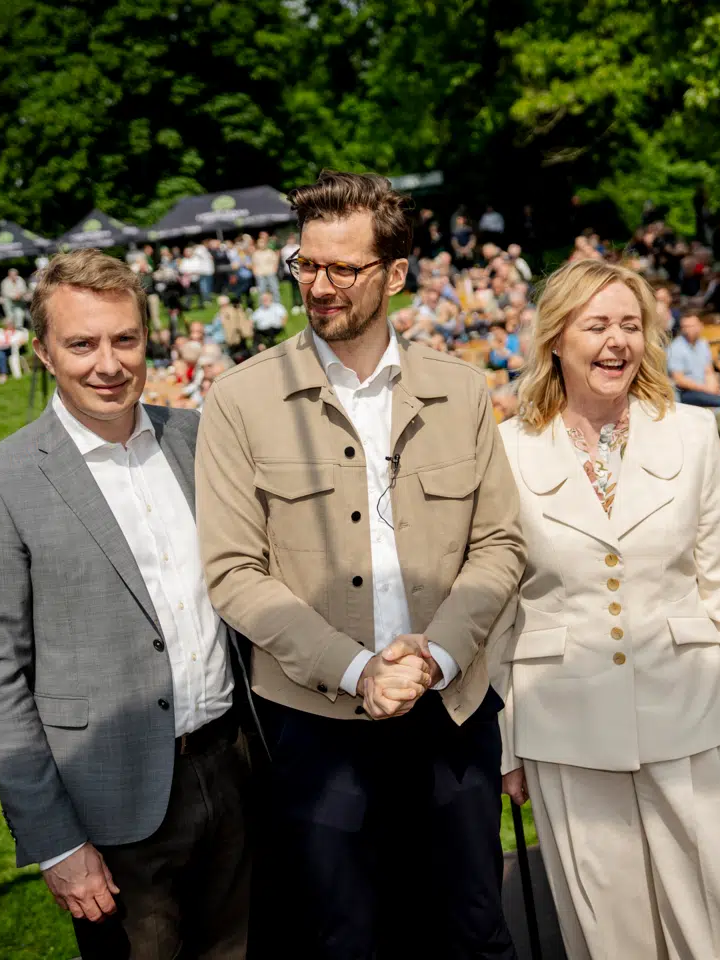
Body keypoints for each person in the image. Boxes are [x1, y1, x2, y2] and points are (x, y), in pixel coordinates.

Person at [197, 170, 524, 958]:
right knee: (347, 939)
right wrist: (357, 671)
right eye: (306, 265)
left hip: (451, 715)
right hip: (317, 730)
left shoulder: (462, 389)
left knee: (474, 932)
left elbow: (503, 544)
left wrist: (437, 655)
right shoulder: (240, 399)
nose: (319, 286)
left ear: (397, 275)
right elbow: (233, 571)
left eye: (343, 269)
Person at [0, 249, 251, 960]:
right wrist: (54, 838)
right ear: (42, 353)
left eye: (125, 339)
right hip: (111, 808)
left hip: (235, 770)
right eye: (81, 344)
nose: (107, 363)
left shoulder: (198, 438)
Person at [496, 258, 720, 959]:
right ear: (556, 338)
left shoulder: (690, 434)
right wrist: (503, 742)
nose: (617, 340)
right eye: (597, 325)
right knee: (609, 929)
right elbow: (495, 605)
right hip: (563, 721)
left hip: (690, 704)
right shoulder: (504, 449)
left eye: (630, 323)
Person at [667, 313, 720, 408]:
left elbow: (708, 371)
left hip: (704, 387)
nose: (689, 330)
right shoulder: (676, 348)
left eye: (692, 326)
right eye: (685, 327)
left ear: (700, 326)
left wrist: (715, 388)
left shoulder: (703, 343)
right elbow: (679, 380)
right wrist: (707, 390)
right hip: (687, 392)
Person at [251, 233, 281, 302]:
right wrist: (255, 273)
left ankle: (277, 305)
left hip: (270, 273)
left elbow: (275, 262)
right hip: (260, 274)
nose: (261, 244)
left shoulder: (270, 252)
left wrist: (274, 270)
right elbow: (253, 264)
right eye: (260, 243)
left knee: (274, 289)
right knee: (261, 291)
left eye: (263, 243)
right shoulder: (255, 254)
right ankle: (262, 307)